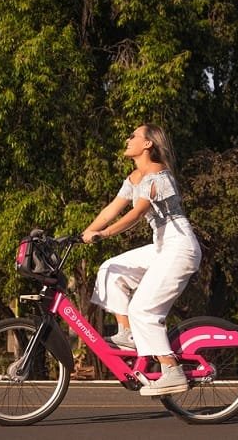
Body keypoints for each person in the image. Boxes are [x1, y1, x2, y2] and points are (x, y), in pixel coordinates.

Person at [82, 123, 201, 396]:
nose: (127, 139)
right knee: (111, 269)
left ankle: (171, 370)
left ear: (147, 144)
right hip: (162, 245)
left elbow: (136, 214)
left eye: (133, 136)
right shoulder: (135, 177)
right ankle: (127, 335)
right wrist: (84, 232)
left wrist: (104, 234)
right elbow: (112, 208)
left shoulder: (159, 175)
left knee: (143, 310)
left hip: (180, 247)